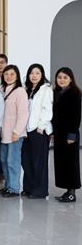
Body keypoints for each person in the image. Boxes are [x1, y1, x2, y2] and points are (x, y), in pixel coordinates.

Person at [21, 64, 53, 199]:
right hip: (27, 130)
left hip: (38, 130)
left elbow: (47, 109)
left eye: (37, 73)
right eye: (31, 73)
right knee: (27, 160)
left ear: (42, 75)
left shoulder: (46, 89)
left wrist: (41, 126)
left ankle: (39, 191)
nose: (34, 76)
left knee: (38, 162)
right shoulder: (28, 90)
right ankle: (28, 188)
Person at [51, 67, 81, 203]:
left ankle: (72, 193)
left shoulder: (74, 93)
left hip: (69, 135)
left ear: (70, 79)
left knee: (71, 164)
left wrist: (72, 135)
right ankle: (67, 191)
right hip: (59, 134)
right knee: (62, 163)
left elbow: (76, 116)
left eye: (65, 77)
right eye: (59, 77)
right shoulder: (56, 93)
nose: (61, 80)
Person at [0, 65, 29, 198]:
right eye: (6, 74)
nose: (9, 76)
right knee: (4, 160)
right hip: (3, 133)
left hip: (14, 133)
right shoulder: (1, 90)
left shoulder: (20, 91)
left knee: (13, 161)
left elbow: (23, 114)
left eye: (12, 74)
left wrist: (17, 131)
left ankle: (14, 188)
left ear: (17, 76)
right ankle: (8, 185)